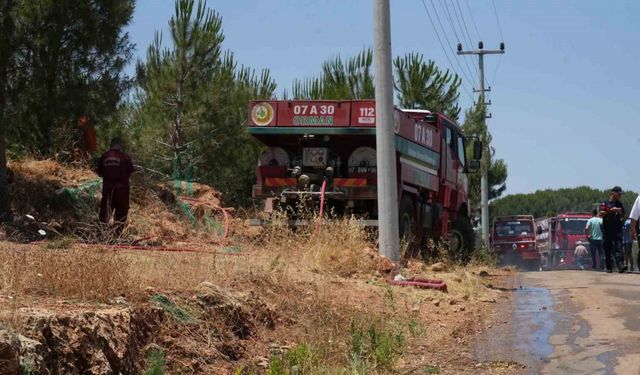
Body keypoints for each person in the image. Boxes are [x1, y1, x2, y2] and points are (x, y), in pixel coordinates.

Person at [97, 137, 134, 236]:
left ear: (111, 145)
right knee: (121, 215)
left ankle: (101, 236)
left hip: (108, 190)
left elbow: (99, 173)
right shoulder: (125, 157)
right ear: (120, 145)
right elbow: (131, 172)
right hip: (122, 191)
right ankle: (116, 236)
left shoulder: (104, 157)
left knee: (105, 214)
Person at [601, 186, 626, 273]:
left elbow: (624, 214)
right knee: (608, 248)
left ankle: (621, 266)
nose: (620, 195)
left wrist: (620, 214)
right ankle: (609, 267)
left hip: (617, 229)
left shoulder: (620, 204)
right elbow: (601, 213)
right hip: (607, 229)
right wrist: (611, 210)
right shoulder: (605, 203)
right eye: (619, 194)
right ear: (613, 193)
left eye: (620, 194)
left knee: (619, 247)